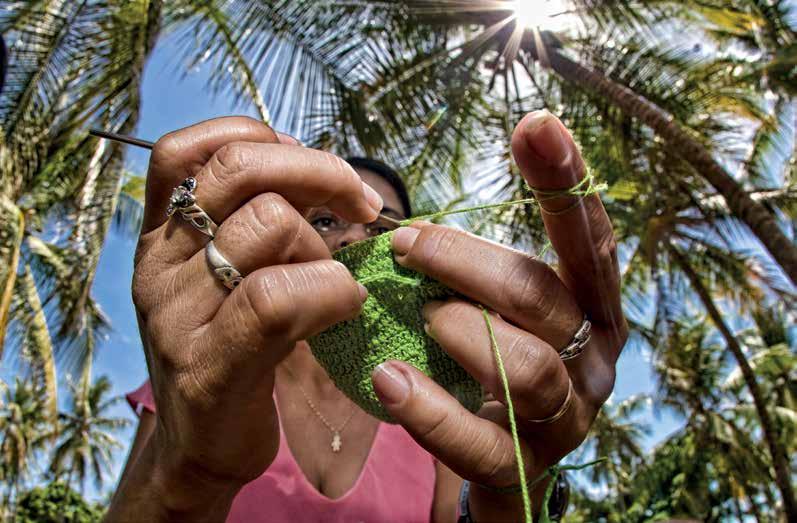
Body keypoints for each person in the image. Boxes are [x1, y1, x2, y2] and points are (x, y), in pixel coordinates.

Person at [106, 110, 627, 522]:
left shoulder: (442, 398)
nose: (357, 236)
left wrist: (518, 494)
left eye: (381, 228)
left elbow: (485, 507)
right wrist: (185, 474)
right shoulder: (208, 373)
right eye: (329, 219)